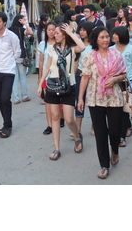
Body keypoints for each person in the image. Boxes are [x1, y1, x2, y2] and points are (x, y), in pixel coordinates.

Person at [77, 27, 128, 180]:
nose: (106, 40)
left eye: (107, 37)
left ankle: (115, 149)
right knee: (100, 133)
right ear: (95, 40)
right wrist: (80, 98)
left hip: (115, 98)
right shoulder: (89, 56)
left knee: (114, 130)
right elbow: (85, 78)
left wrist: (116, 79)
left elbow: (124, 73)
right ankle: (104, 165)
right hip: (95, 98)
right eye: (102, 37)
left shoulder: (116, 54)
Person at [37, 23, 85, 160]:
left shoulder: (72, 48)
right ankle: (56, 148)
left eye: (57, 33)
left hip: (69, 86)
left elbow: (83, 47)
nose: (54, 35)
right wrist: (41, 84)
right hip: (53, 85)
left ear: (64, 35)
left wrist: (71, 33)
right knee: (55, 117)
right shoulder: (51, 49)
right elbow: (47, 68)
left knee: (69, 119)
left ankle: (77, 136)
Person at [0, 12, 21, 139]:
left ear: (4, 23)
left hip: (8, 71)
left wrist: (9, 63)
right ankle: (5, 123)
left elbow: (17, 52)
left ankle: (7, 126)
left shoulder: (12, 37)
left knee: (5, 98)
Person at [112, 26, 132, 148]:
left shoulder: (131, 49)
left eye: (115, 34)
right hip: (115, 82)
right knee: (119, 110)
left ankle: (121, 137)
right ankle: (127, 127)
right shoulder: (110, 50)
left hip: (129, 82)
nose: (112, 36)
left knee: (124, 110)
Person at [75, 21, 95, 137]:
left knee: (92, 102)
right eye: (80, 30)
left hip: (93, 77)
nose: (81, 32)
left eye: (84, 30)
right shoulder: (79, 45)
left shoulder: (95, 46)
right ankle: (78, 128)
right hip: (80, 75)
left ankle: (94, 125)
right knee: (79, 100)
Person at [38, 22, 58, 134]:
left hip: (58, 75)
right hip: (46, 77)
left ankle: (59, 119)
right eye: (49, 30)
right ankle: (49, 125)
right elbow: (41, 61)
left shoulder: (60, 43)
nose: (51, 32)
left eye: (53, 29)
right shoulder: (43, 44)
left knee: (58, 101)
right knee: (48, 101)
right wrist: (40, 77)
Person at [9, 14, 34, 104]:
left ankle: (16, 98)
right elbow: (31, 33)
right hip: (20, 55)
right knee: (22, 76)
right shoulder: (21, 29)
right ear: (20, 21)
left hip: (11, 56)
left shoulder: (9, 30)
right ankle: (24, 96)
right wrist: (25, 24)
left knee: (14, 78)